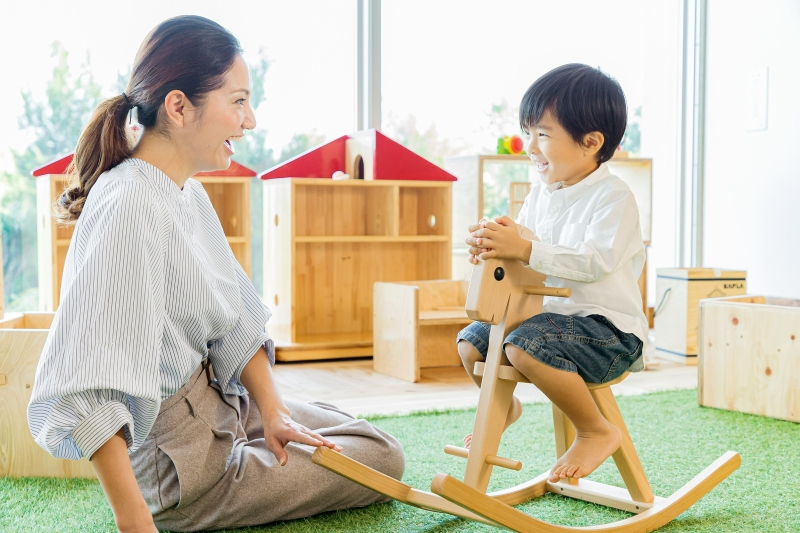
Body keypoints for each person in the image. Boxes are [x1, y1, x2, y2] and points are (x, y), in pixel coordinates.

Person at [27, 15, 404, 533]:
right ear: (179, 107)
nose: (248, 122)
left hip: (222, 404)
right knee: (381, 461)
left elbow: (235, 316)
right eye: (239, 101)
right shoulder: (129, 203)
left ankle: (262, 431)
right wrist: (135, 520)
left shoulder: (186, 190)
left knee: (376, 444)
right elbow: (87, 385)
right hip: (183, 468)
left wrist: (271, 410)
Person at [457, 63, 647, 484]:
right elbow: (527, 254)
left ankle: (596, 430)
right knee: (472, 343)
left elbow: (591, 261)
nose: (529, 146)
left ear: (591, 142)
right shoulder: (541, 196)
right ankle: (505, 409)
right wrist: (496, 246)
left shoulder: (613, 197)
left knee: (524, 346)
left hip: (608, 332)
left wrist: (524, 247)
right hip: (548, 322)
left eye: (542, 134)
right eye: (527, 133)